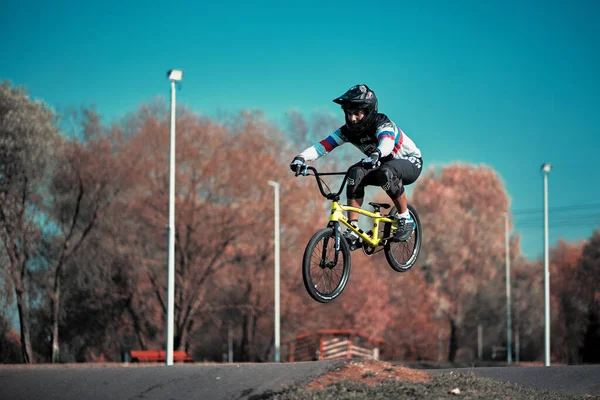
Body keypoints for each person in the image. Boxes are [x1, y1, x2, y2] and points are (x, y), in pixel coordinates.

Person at [289, 84, 423, 247]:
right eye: (349, 113)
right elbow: (323, 146)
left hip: (410, 162)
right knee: (355, 172)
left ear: (368, 111)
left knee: (386, 172)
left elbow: (387, 142)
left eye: (357, 113)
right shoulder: (347, 131)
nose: (352, 118)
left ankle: (405, 217)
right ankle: (353, 229)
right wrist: (301, 157)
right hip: (380, 163)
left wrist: (377, 153)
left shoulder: (382, 123)